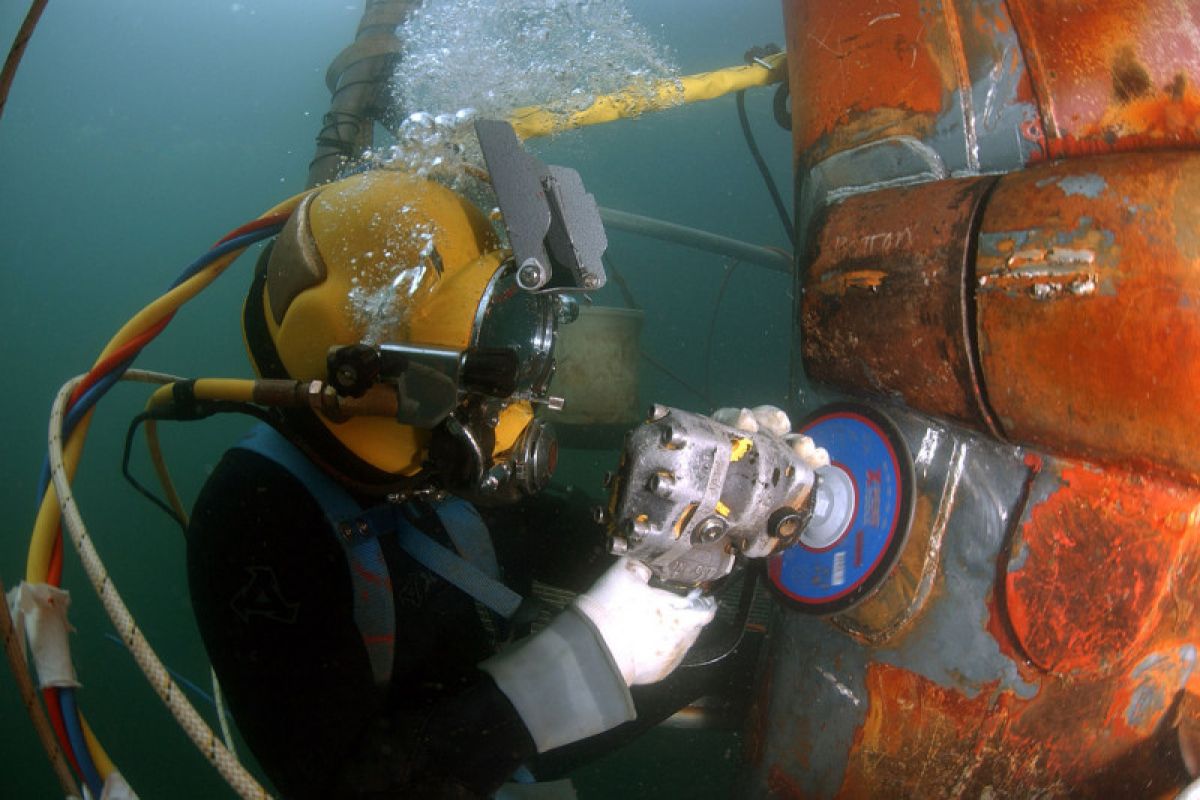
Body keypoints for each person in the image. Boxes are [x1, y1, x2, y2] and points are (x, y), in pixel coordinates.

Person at [184, 164, 740, 798]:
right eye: (487, 366)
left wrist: (702, 510)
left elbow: (579, 549)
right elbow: (344, 785)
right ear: (359, 373)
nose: (513, 410)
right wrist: (568, 671)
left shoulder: (433, 455)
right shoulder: (253, 523)